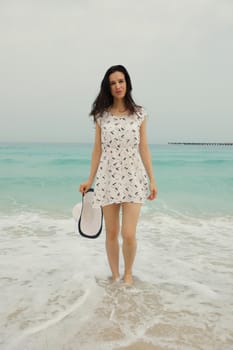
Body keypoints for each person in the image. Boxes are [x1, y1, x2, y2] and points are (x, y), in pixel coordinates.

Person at [79, 65, 157, 285]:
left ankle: (128, 273)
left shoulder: (139, 113)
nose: (117, 86)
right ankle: (114, 276)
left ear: (127, 83)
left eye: (121, 81)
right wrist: (89, 179)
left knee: (129, 234)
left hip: (134, 177)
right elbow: (97, 150)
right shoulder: (101, 116)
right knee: (112, 233)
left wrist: (152, 179)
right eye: (113, 83)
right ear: (108, 87)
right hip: (107, 177)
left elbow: (143, 147)